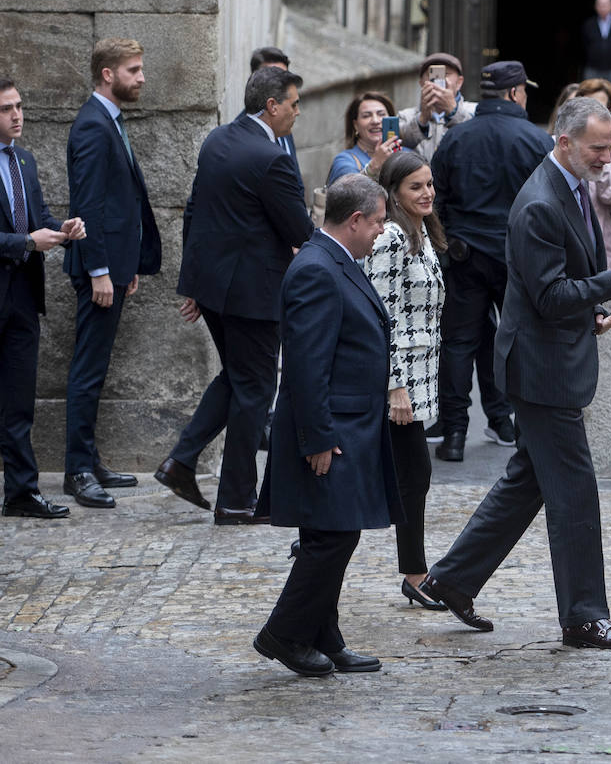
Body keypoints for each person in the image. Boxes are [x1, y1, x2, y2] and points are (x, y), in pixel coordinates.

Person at [419, 97, 611, 649]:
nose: (608, 158)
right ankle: (583, 618)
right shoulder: (539, 202)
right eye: (598, 148)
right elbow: (551, 294)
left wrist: (590, 308)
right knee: (575, 494)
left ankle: (451, 580)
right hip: (541, 368)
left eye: (610, 146)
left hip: (548, 356)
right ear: (564, 142)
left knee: (528, 479)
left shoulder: (566, 187)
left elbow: (549, 284)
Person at [254, 174, 403, 677]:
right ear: (356, 220)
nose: (383, 231)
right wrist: (316, 438)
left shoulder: (336, 259)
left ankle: (324, 634)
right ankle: (283, 633)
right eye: (380, 221)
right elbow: (306, 364)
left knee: (332, 534)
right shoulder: (316, 268)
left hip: (350, 424)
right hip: (330, 430)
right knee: (331, 538)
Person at [156, 67, 314, 523]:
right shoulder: (272, 158)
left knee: (240, 378)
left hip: (214, 289)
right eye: (293, 103)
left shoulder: (217, 139)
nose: (297, 111)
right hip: (253, 294)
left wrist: (192, 284)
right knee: (256, 387)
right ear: (271, 106)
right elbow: (299, 231)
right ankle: (236, 500)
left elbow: (194, 212)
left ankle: (181, 461)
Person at [429, 61, 550, 462]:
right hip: (518, 257)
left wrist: (448, 244)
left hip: (466, 256)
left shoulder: (456, 138)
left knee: (459, 344)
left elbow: (437, 200)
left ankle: (455, 435)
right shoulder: (536, 140)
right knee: (521, 341)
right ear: (515, 93)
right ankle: (521, 431)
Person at [62, 37, 160, 509]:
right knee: (86, 370)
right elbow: (88, 206)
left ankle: (90, 459)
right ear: (108, 74)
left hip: (115, 268)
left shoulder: (109, 122)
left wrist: (127, 266)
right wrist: (100, 270)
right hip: (97, 269)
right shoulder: (92, 126)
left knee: (96, 369)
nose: (141, 78)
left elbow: (122, 203)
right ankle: (78, 471)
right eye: (134, 70)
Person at [364, 153, 448, 611]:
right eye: (416, 187)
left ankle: (415, 572)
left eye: (430, 184)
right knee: (412, 474)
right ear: (393, 192)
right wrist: (393, 384)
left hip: (419, 377)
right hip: (398, 384)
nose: (427, 193)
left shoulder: (421, 234)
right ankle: (416, 575)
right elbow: (380, 314)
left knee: (404, 475)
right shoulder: (391, 237)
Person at [0, 78, 86, 519]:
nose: (17, 115)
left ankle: (20, 492)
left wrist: (65, 231)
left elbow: (38, 221)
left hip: (22, 299)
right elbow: (21, 236)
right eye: (6, 109)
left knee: (18, 402)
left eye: (18, 105)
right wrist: (25, 243)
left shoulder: (25, 161)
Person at [577, 78, 611, 271]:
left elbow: (610, 195)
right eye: (588, 106)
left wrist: (600, 151)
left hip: (604, 243)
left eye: (600, 107)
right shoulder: (564, 145)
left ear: (610, 108)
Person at [399, 52, 476, 161]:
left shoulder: (475, 111)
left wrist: (454, 112)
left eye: (446, 74)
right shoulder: (405, 116)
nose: (437, 79)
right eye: (431, 74)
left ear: (459, 82)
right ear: (421, 82)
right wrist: (422, 119)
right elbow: (400, 144)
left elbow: (477, 140)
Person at [246, 47, 300, 183]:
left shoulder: (284, 120)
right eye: (272, 76)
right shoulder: (243, 132)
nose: (280, 84)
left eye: (284, 77)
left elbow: (295, 175)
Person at [327, 91, 405, 184]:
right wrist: (373, 167)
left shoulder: (407, 153)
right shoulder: (344, 161)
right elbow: (349, 194)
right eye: (366, 116)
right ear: (355, 125)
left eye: (381, 114)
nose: (375, 121)